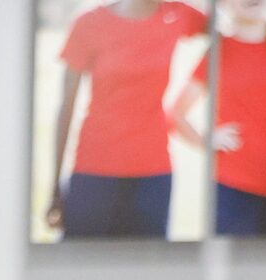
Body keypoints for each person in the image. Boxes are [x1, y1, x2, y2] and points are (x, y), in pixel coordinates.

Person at [46, 0, 207, 239]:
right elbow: (66, 106)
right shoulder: (89, 22)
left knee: (147, 272)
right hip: (94, 171)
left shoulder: (177, 13)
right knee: (82, 267)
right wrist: (55, 187)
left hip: (153, 174)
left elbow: (232, 27)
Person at [174, 0, 266, 237]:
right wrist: (205, 139)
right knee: (232, 271)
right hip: (232, 189)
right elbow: (176, 113)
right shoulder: (219, 51)